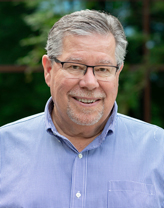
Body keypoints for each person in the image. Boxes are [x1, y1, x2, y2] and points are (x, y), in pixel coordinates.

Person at [0, 9, 163, 208]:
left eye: (103, 69)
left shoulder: (158, 151)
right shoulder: (4, 148)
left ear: (118, 73)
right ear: (49, 70)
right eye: (75, 66)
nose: (89, 83)